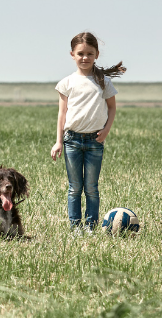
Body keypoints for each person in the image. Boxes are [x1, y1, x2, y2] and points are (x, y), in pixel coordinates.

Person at [49, 32, 126, 231]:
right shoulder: (66, 83)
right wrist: (58, 141)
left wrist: (106, 131)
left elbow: (112, 108)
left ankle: (90, 226)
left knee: (91, 188)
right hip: (72, 141)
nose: (85, 57)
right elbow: (62, 113)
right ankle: (75, 227)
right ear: (72, 54)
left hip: (95, 142)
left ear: (97, 55)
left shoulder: (104, 82)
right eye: (80, 53)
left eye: (89, 54)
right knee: (75, 188)